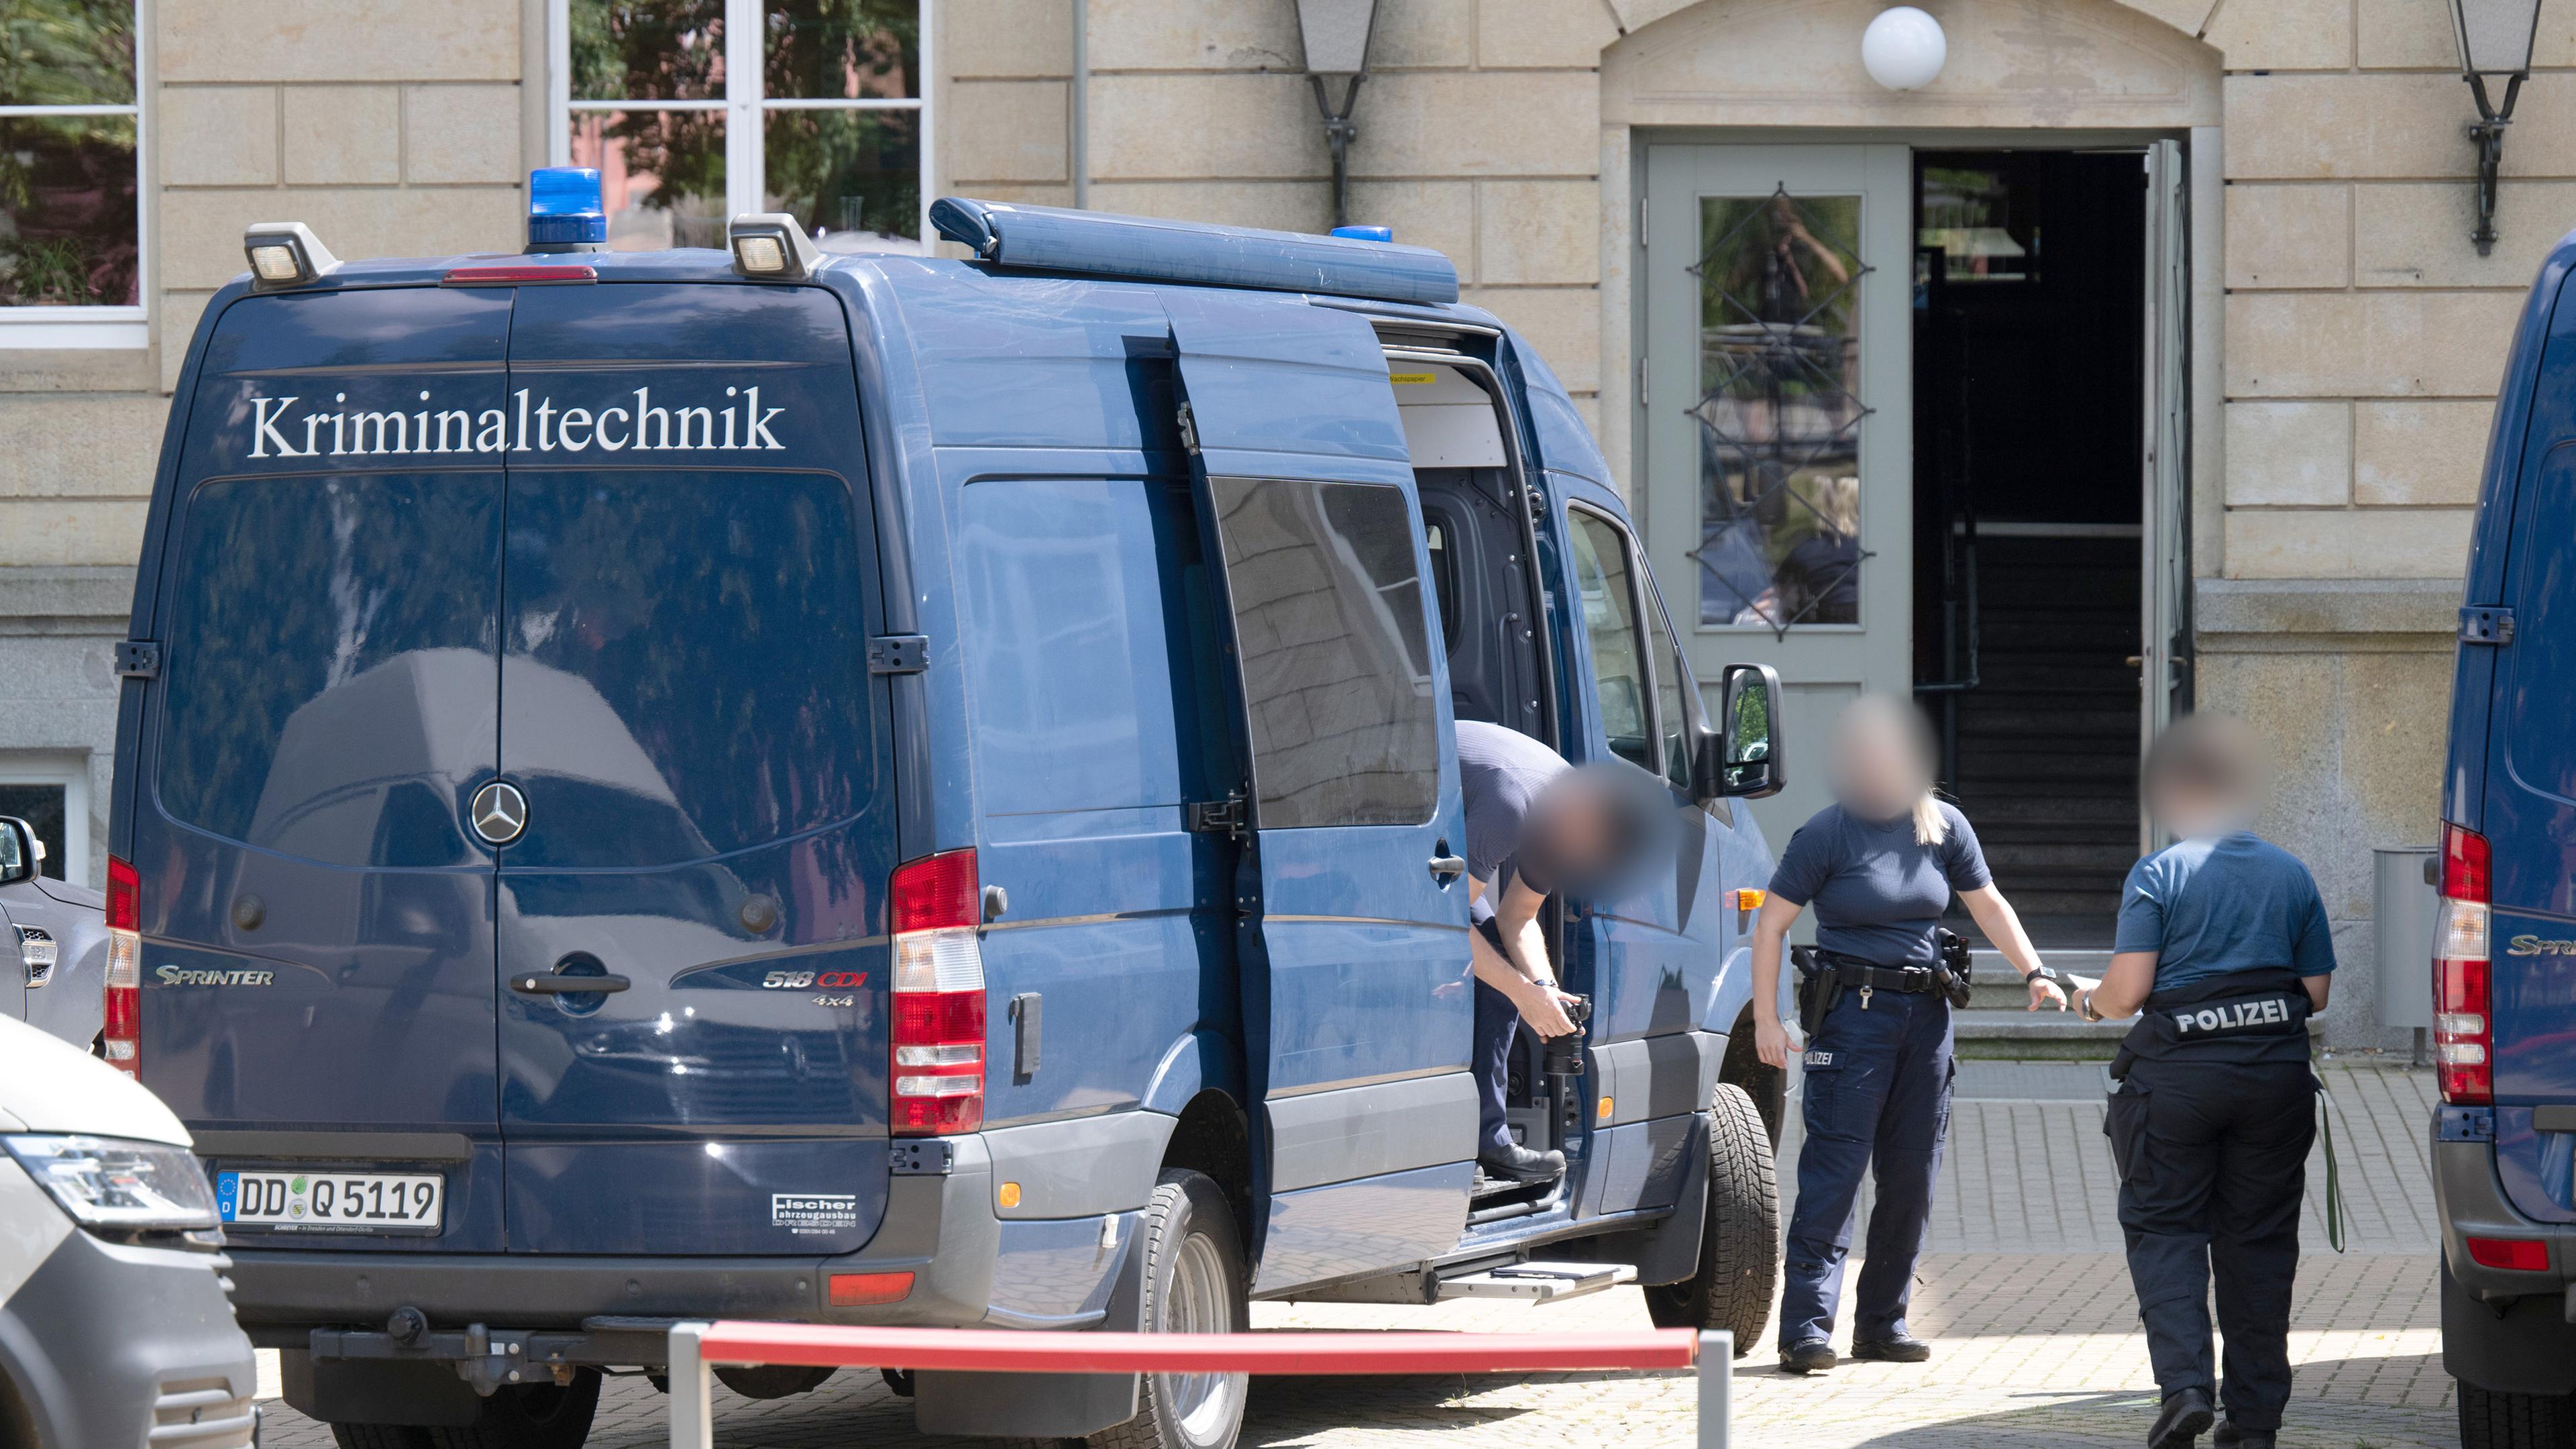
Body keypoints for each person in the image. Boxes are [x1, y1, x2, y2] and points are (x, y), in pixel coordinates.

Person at [1750, 696, 2067, 1374]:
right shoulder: (1826, 834)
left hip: (1926, 1021)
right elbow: (1771, 926)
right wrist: (1767, 1021)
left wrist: (2035, 970)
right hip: (1852, 1020)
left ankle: (1882, 1325)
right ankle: (1805, 1330)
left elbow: (1989, 905)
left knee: (1912, 1177)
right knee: (1834, 1175)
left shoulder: (1942, 825)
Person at [2070, 715, 2334, 1449]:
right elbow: (2316, 994)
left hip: (2177, 1086)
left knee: (2166, 1230)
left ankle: (2186, 1389)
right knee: (2260, 1244)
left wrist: (2089, 1002)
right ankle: (2255, 1420)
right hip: (2274, 1082)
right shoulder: (2292, 874)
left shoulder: (2160, 873)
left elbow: (2126, 994)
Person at [1455, 718, 1660, 1185]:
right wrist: (1521, 992)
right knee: (1484, 970)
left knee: (1501, 971)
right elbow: (1442, 923)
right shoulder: (1511, 808)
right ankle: (1451, 1145)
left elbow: (1518, 917)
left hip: (1437, 846)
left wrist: (1542, 989)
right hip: (1368, 823)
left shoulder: (1566, 817)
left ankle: (1488, 1142)